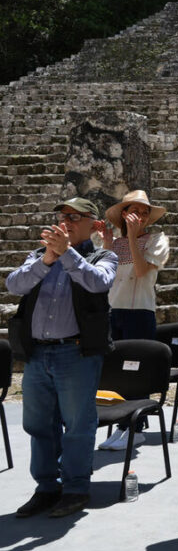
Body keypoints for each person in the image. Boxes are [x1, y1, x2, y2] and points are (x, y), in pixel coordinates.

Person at [6, 197, 117, 518]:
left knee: (79, 425)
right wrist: (47, 260)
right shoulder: (42, 255)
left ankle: (75, 488)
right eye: (61, 216)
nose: (65, 220)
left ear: (93, 225)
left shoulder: (103, 255)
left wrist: (66, 254)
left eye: (73, 216)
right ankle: (46, 488)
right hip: (38, 353)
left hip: (76, 353)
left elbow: (98, 283)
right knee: (38, 425)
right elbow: (14, 285)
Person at [97, 190, 169, 451]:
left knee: (135, 371)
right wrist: (108, 244)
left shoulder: (158, 240)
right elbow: (102, 277)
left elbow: (140, 271)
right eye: (134, 210)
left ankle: (136, 427)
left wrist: (128, 240)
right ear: (124, 214)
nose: (140, 215)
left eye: (144, 211)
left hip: (140, 311)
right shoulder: (111, 243)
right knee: (117, 371)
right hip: (114, 311)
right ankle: (121, 424)